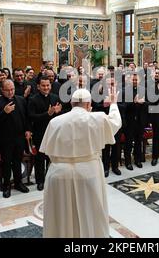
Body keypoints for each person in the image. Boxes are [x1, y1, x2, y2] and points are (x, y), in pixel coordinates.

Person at [40, 88, 122, 238]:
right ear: (89, 104)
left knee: (60, 214)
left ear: (71, 103)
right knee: (90, 212)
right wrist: (114, 103)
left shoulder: (55, 121)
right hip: (88, 173)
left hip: (58, 174)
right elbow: (116, 122)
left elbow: (48, 151)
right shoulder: (97, 118)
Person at [0, 80, 31, 198]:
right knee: (6, 163)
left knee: (18, 161)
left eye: (12, 89)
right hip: (5, 139)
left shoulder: (21, 100)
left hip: (19, 137)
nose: (10, 92)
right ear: (2, 90)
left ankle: (18, 183)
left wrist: (28, 130)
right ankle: (6, 186)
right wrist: (4, 112)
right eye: (7, 90)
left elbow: (26, 117)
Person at [28, 76, 63, 191]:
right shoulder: (33, 99)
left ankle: (51, 178)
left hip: (54, 134)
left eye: (48, 85)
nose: (46, 87)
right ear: (38, 86)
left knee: (52, 158)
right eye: (43, 85)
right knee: (40, 159)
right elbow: (32, 117)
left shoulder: (55, 97)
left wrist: (58, 112)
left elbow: (60, 116)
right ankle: (40, 181)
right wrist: (47, 114)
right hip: (40, 133)